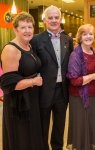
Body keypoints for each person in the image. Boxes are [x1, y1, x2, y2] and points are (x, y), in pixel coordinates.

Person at [30, 5, 73, 150]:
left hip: (62, 91)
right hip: (43, 91)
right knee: (43, 126)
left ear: (61, 19)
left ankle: (57, 147)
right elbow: (32, 65)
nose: (54, 20)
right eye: (50, 17)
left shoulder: (68, 40)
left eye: (56, 17)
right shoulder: (35, 40)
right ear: (44, 20)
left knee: (60, 126)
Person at [0, 12, 44, 150]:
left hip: (31, 99)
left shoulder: (29, 46)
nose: (27, 31)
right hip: (18, 105)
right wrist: (33, 82)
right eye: (23, 27)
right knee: (22, 140)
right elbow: (8, 84)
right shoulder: (11, 49)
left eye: (30, 27)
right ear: (15, 30)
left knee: (32, 137)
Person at [66, 24, 95, 150]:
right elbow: (74, 80)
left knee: (90, 126)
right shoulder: (75, 55)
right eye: (85, 34)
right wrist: (93, 76)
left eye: (90, 34)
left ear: (94, 36)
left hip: (94, 96)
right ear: (80, 37)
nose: (88, 36)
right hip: (80, 98)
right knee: (82, 128)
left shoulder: (94, 52)